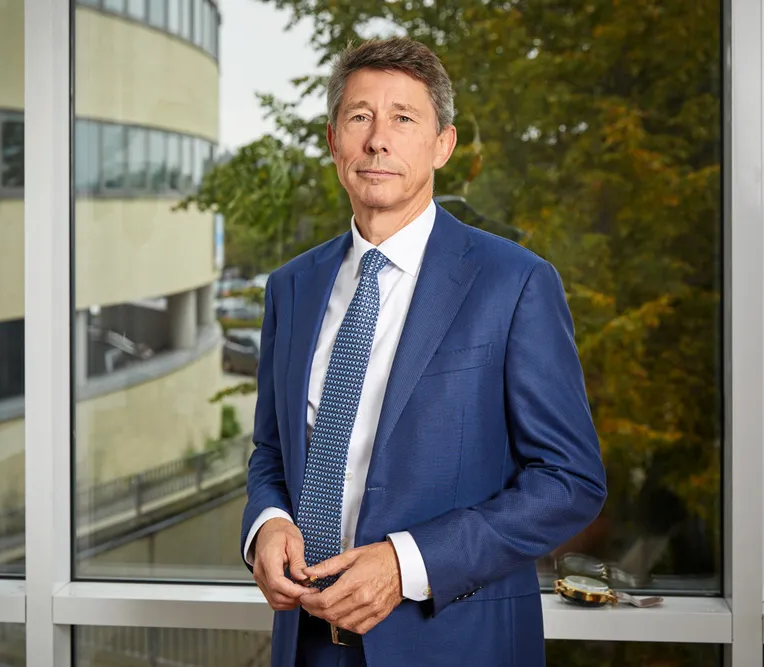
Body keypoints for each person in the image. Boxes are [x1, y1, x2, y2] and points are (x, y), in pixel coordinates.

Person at [240, 36, 607, 667]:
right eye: (360, 117)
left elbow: (569, 481)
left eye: (404, 119)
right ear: (333, 141)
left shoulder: (515, 283)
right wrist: (266, 523)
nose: (378, 140)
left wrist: (408, 563)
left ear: (443, 145)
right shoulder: (291, 287)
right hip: (306, 643)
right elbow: (272, 451)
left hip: (453, 644)